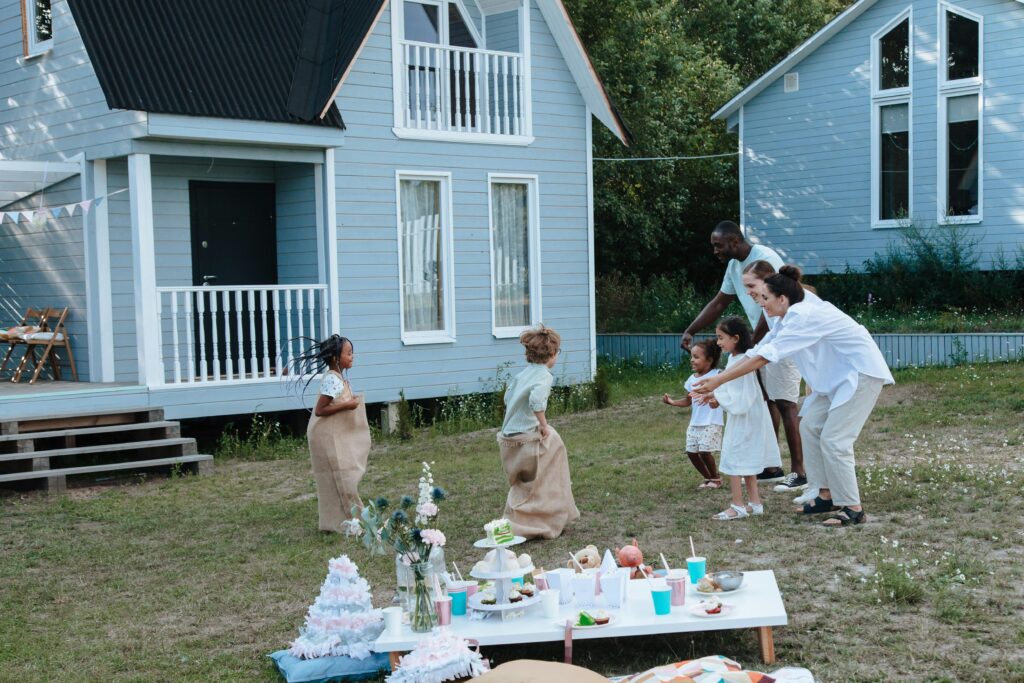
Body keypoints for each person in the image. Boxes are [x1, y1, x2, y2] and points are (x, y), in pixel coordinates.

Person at [693, 266, 894, 527]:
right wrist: (721, 377)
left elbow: (765, 357)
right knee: (810, 427)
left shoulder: (803, 315)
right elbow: (762, 348)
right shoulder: (787, 311)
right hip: (835, 379)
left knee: (835, 440)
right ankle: (826, 494)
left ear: (782, 298)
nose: (761, 303)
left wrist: (718, 380)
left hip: (861, 373)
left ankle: (853, 509)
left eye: (764, 297)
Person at [680, 220, 786, 483]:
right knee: (764, 400)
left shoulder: (765, 258)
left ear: (734, 242)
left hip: (776, 338)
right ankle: (766, 463)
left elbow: (768, 305)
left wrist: (753, 344)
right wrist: (690, 329)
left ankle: (789, 469)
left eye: (718, 245)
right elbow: (719, 302)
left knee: (782, 403)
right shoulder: (733, 266)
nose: (715, 250)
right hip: (760, 341)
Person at [497, 325, 580, 539]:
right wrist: (543, 425)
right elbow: (536, 401)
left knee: (526, 479)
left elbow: (508, 398)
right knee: (553, 454)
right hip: (526, 438)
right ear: (552, 354)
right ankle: (550, 515)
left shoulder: (523, 374)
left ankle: (539, 513)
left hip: (508, 437)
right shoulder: (544, 375)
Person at [740, 259, 815, 494]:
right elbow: (769, 329)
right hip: (775, 351)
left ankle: (799, 472)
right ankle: (773, 467)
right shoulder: (770, 305)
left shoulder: (788, 302)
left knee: (787, 406)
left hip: (786, 355)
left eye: (751, 286)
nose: (749, 293)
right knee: (773, 403)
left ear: (768, 282)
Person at [696, 317, 781, 520]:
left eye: (721, 338)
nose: (718, 343)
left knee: (734, 458)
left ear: (735, 338)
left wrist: (716, 396)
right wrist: (715, 396)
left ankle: (738, 505)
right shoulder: (739, 360)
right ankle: (755, 503)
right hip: (746, 416)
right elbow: (733, 391)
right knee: (746, 459)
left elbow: (740, 396)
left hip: (744, 418)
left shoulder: (742, 361)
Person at [295, 335, 370, 533]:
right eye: (349, 353)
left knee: (344, 477)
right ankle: (350, 521)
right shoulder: (332, 380)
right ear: (337, 358)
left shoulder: (338, 378)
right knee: (342, 478)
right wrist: (348, 404)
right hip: (326, 437)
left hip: (334, 436)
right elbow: (320, 410)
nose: (352, 356)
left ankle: (342, 520)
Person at [662, 339, 724, 490]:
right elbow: (688, 400)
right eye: (691, 356)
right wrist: (672, 402)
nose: (692, 360)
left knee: (704, 451)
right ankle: (708, 477)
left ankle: (716, 479)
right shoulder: (691, 380)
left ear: (709, 360)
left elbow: (726, 394)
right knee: (691, 452)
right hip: (695, 423)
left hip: (712, 421)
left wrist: (716, 399)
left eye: (696, 357)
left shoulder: (718, 375)